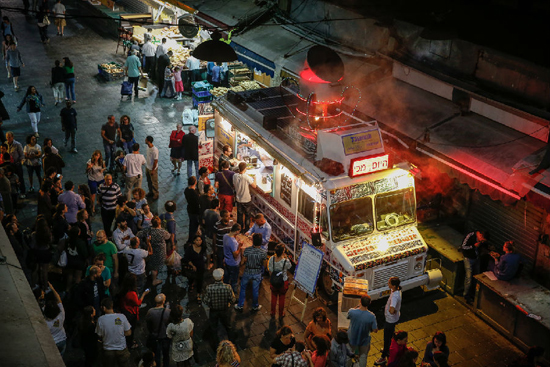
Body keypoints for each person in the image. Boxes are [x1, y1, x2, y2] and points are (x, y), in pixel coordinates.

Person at [96, 298, 132, 367]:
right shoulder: (122, 317)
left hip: (108, 350)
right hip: (122, 349)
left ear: (103, 307)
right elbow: (129, 333)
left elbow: (99, 335)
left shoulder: (100, 320)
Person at [235, 233, 267, 312]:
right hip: (257, 272)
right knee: (255, 290)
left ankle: (240, 305)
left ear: (253, 241)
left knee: (243, 288)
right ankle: (255, 306)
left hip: (248, 271)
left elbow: (242, 262)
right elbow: (265, 264)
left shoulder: (247, 250)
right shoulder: (263, 252)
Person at [375, 276, 403, 366]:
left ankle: (383, 356)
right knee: (390, 335)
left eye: (389, 283)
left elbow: (391, 309)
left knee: (387, 338)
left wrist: (393, 311)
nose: (388, 284)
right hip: (393, 319)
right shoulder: (397, 290)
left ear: (394, 286)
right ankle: (387, 349)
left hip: (390, 320)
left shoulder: (395, 296)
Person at [203, 268, 235, 341]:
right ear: (222, 277)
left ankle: (215, 343)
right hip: (224, 310)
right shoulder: (228, 287)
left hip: (214, 310)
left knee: (214, 328)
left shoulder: (209, 288)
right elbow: (233, 300)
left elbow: (205, 300)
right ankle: (232, 341)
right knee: (228, 326)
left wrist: (211, 304)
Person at [119, 273, 150, 349]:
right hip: (131, 313)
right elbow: (138, 303)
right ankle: (130, 343)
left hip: (125, 310)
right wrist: (144, 294)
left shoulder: (123, 290)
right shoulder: (131, 294)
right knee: (131, 328)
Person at [138, 216, 170, 286]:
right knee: (155, 267)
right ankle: (154, 280)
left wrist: (142, 243)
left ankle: (148, 274)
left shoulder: (148, 230)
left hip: (150, 249)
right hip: (160, 252)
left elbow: (139, 234)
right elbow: (168, 237)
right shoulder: (162, 232)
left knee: (151, 263)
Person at [347, 295, 378, 367]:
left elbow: (348, 316)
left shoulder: (352, 312)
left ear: (360, 301)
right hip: (364, 340)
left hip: (352, 338)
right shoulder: (372, 316)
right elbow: (375, 330)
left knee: (349, 353)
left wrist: (357, 306)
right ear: (369, 303)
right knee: (363, 356)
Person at [460, 230, 487, 303]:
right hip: (468, 258)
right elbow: (463, 247)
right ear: (480, 235)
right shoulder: (470, 236)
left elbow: (483, 246)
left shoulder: (481, 241)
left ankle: (473, 294)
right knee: (469, 278)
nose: (482, 241)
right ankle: (466, 296)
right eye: (482, 239)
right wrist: (473, 246)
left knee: (476, 276)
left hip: (476, 258)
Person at [145, 294, 171, 367]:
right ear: (163, 302)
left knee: (157, 355)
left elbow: (148, 322)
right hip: (165, 336)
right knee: (166, 354)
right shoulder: (168, 312)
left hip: (155, 336)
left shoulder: (150, 312)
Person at [267, 244, 292, 316]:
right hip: (283, 281)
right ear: (283, 251)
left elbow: (270, 269)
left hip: (274, 281)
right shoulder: (285, 261)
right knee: (282, 298)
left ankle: (272, 312)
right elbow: (289, 266)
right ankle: (281, 313)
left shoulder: (272, 259)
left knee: (273, 297)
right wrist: (286, 258)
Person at [44, 282, 67, 355]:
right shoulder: (61, 313)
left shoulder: (45, 323)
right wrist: (52, 288)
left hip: (52, 342)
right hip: (62, 340)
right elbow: (58, 299)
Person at [183, 235, 208, 302]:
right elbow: (186, 258)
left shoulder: (203, 248)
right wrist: (192, 265)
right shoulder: (190, 249)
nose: (199, 242)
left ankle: (198, 294)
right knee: (191, 278)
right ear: (194, 241)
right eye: (197, 240)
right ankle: (191, 285)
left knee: (200, 280)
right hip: (192, 266)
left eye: (200, 240)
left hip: (201, 267)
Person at [233, 162, 256, 229]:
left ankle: (239, 228)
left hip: (238, 199)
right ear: (245, 169)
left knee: (239, 215)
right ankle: (246, 229)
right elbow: (254, 186)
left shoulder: (235, 176)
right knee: (247, 215)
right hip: (246, 199)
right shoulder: (246, 177)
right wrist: (255, 178)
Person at [64, 226, 88, 291]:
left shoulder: (67, 241)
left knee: (69, 276)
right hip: (79, 262)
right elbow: (84, 253)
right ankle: (77, 291)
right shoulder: (80, 242)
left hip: (70, 261)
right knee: (78, 277)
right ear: (78, 233)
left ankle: (67, 290)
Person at [223, 223, 243, 294]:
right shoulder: (233, 242)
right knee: (234, 280)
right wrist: (240, 246)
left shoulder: (225, 236)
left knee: (226, 277)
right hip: (233, 263)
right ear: (237, 231)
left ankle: (225, 291)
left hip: (227, 261)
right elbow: (235, 255)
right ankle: (232, 294)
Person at [5, 132, 26, 197]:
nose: (8, 138)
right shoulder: (5, 144)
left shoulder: (17, 144)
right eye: (7, 137)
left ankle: (23, 192)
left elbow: (22, 155)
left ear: (12, 137)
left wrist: (21, 162)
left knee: (20, 178)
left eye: (9, 137)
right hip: (9, 165)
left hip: (16, 164)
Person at [87, 150, 106, 215]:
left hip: (100, 178)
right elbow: (86, 170)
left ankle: (98, 202)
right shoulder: (90, 162)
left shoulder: (102, 162)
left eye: (98, 155)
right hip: (92, 179)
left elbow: (104, 167)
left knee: (100, 191)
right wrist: (89, 167)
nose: (97, 157)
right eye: (96, 155)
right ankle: (92, 207)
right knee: (93, 194)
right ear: (94, 155)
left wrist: (102, 170)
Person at [145, 136, 159, 200]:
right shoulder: (147, 147)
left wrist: (153, 170)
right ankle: (151, 192)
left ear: (148, 141)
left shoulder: (155, 150)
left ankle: (156, 194)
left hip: (152, 168)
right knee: (149, 181)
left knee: (154, 182)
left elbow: (156, 161)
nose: (145, 140)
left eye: (146, 139)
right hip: (148, 167)